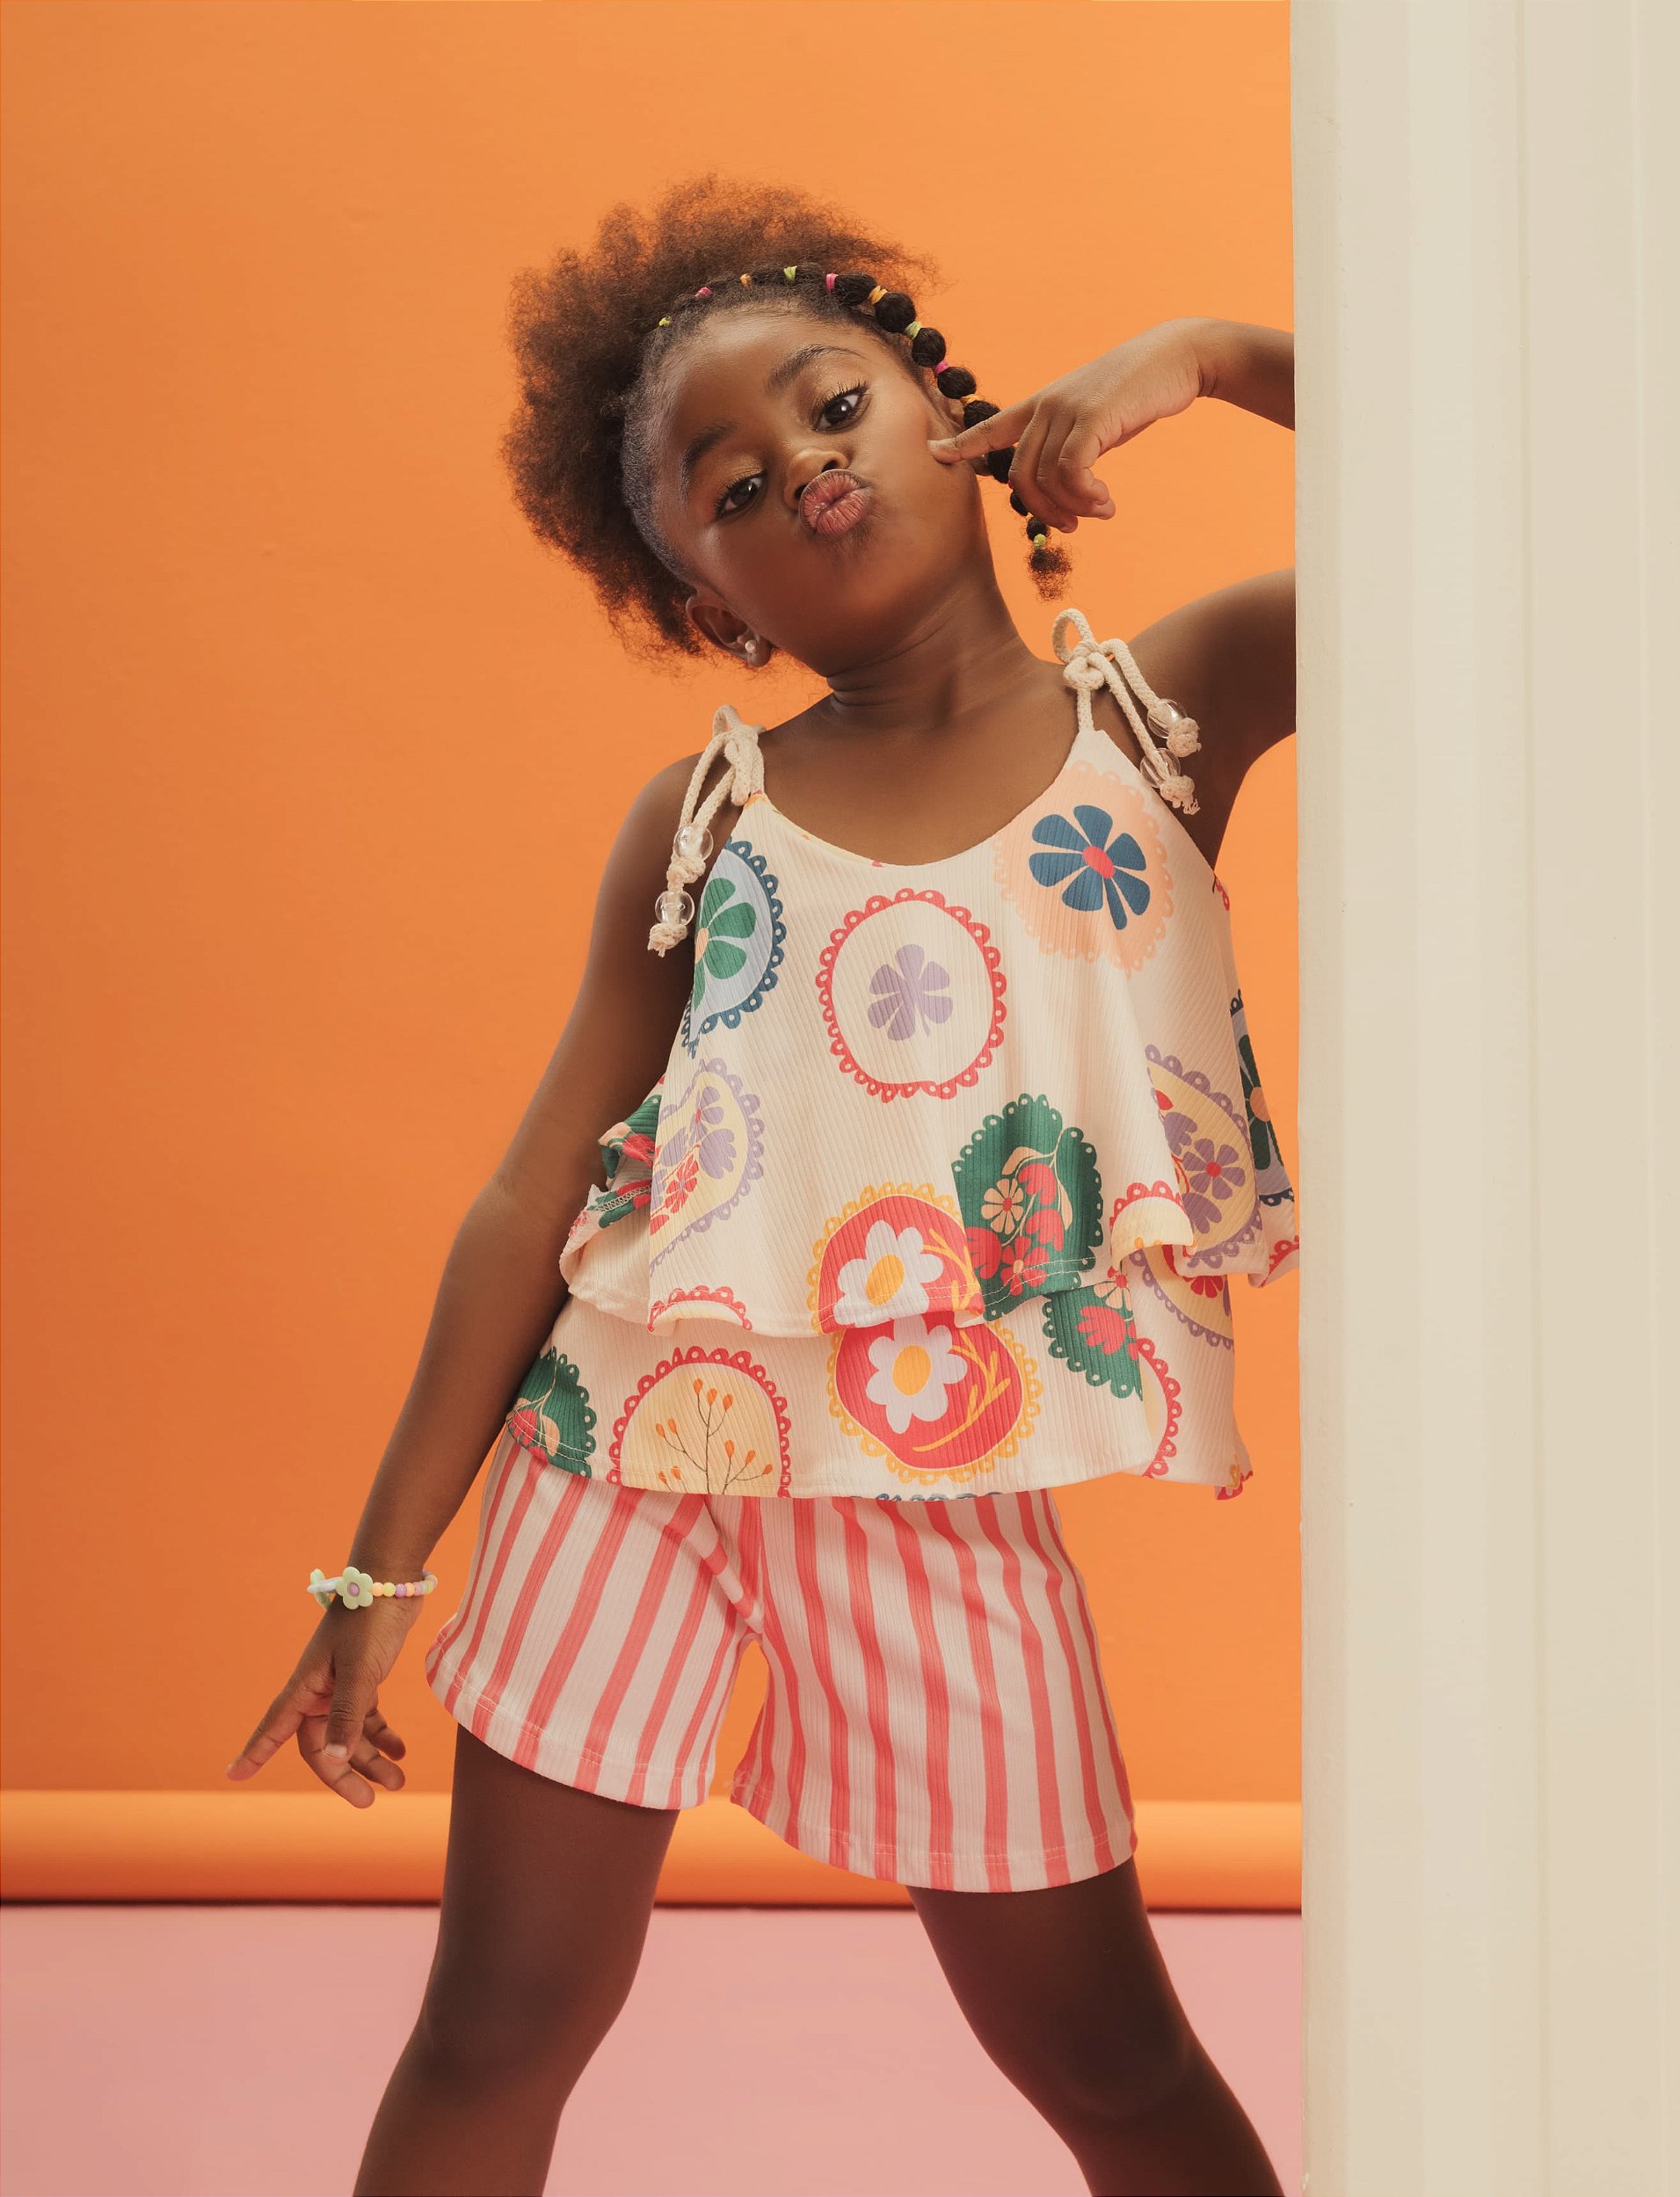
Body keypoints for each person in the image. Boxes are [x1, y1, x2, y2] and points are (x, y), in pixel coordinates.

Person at [228, 175, 1298, 2197]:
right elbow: (534, 1192)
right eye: (727, 488)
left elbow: (1487, 522)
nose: (800, 465)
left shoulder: (1160, 716)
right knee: (495, 2022)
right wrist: (375, 1572)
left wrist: (1210, 357)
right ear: (714, 606)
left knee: (1112, 2054)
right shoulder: (707, 813)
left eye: (832, 402)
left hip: (936, 1492)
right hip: (620, 1456)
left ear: (953, 416)